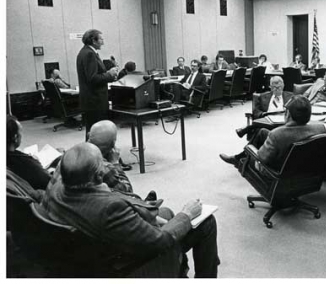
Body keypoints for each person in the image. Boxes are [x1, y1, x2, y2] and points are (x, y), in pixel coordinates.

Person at [38, 142, 219, 278]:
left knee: (166, 213)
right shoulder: (109, 209)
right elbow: (159, 241)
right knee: (205, 223)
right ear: (99, 175)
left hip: (90, 247)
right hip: (122, 264)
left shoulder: (56, 187)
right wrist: (186, 215)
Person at [219, 95, 326, 171]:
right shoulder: (320, 128)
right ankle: (237, 158)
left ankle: (239, 160)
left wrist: (252, 149)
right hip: (304, 169)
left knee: (251, 151)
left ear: (288, 114)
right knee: (262, 132)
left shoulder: (277, 134)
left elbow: (261, 157)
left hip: (277, 171)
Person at [76, 29, 119, 136]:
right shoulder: (90, 54)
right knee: (98, 134)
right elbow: (92, 78)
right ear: (93, 41)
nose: (103, 42)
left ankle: (91, 152)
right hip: (95, 101)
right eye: (101, 39)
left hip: (90, 100)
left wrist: (108, 73)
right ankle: (96, 152)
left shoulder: (84, 52)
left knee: (92, 132)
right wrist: (109, 74)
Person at [7, 114, 51, 191]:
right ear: (15, 137)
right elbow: (49, 182)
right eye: (20, 131)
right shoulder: (27, 164)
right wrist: (36, 163)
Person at [87, 120, 136, 189]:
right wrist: (116, 164)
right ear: (113, 144)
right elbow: (127, 190)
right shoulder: (106, 168)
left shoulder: (74, 154)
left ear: (89, 135)